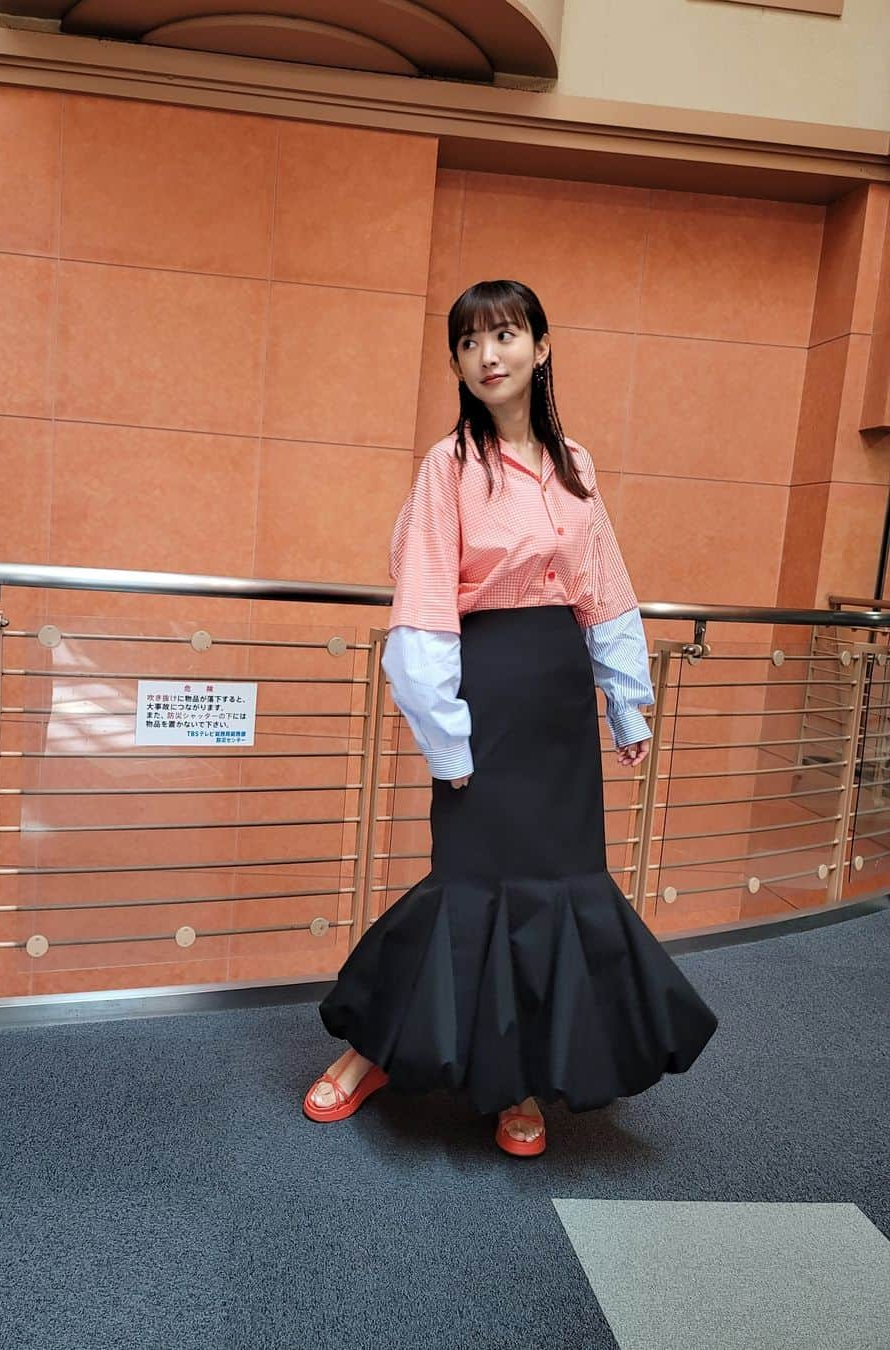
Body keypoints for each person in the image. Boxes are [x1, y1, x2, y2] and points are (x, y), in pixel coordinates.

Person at [302, 279, 718, 1157]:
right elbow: (420, 605)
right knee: (468, 884)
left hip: (558, 702)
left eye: (504, 335)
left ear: (541, 346)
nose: (486, 356)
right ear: (457, 362)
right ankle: (373, 1048)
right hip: (481, 691)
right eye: (467, 343)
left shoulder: (577, 464)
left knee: (555, 893)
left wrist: (626, 702)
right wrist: (445, 734)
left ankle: (519, 1080)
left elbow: (605, 590)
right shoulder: (447, 466)